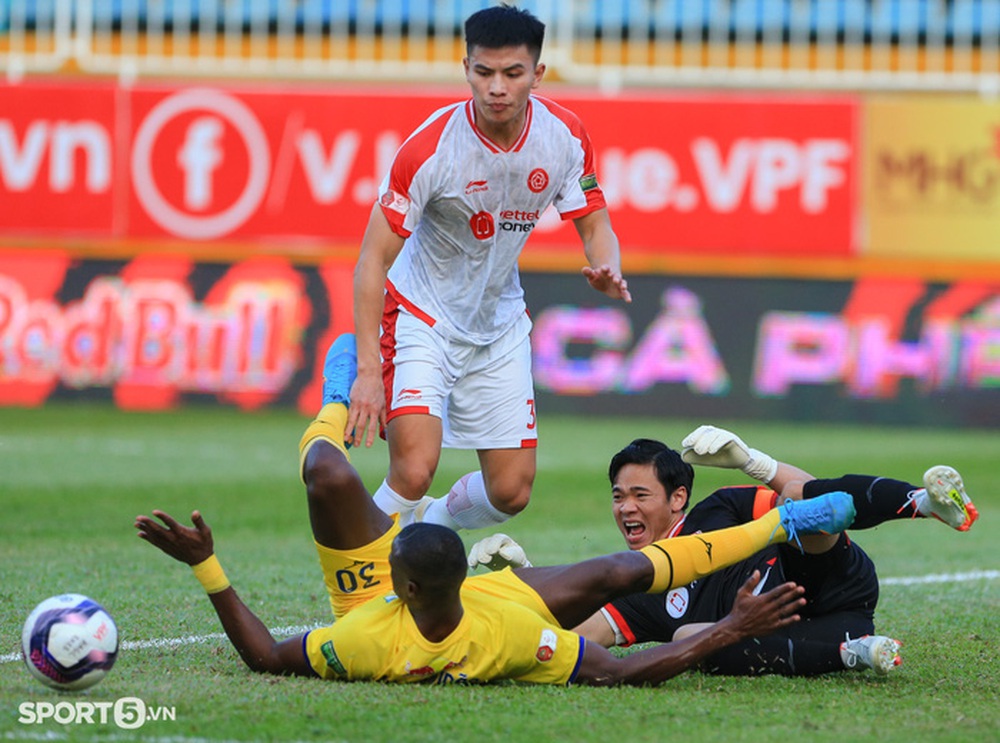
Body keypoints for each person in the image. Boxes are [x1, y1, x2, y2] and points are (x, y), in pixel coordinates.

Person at [133, 339, 859, 686]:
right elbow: (614, 673)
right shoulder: (511, 630)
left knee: (325, 475)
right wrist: (727, 628)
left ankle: (783, 521)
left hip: (420, 592)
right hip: (487, 593)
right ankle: (338, 394)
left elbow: (264, 655)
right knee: (618, 570)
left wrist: (207, 564)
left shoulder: (361, 637)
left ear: (405, 583)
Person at [345, 4, 630, 532]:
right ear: (467, 68)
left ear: (537, 75)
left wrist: (606, 266)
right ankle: (354, 576)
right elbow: (372, 260)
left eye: (512, 73)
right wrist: (367, 372)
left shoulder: (564, 136)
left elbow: (595, 225)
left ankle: (427, 526)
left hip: (497, 323)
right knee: (414, 470)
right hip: (421, 314)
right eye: (484, 72)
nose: (496, 87)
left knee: (510, 491)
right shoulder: (431, 149)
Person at [567, 425, 979, 676]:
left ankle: (923, 503)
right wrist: (524, 590)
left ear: (678, 499)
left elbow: (818, 500)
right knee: (689, 637)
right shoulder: (640, 585)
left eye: (640, 495)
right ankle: (852, 652)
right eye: (619, 497)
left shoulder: (719, 509)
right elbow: (578, 637)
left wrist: (753, 462)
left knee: (798, 502)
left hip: (825, 576)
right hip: (818, 632)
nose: (626, 508)